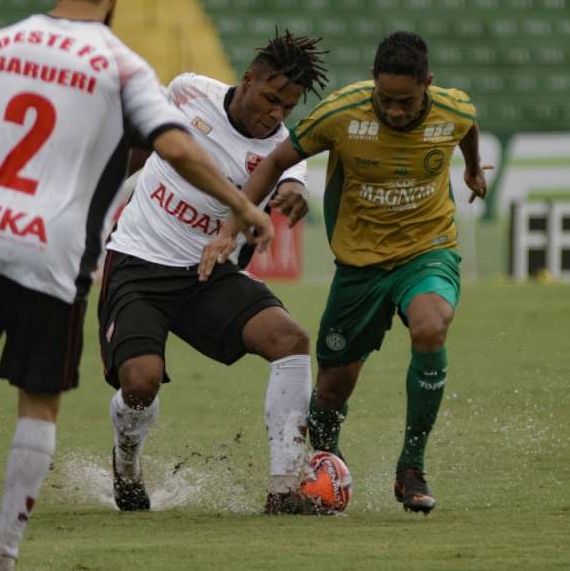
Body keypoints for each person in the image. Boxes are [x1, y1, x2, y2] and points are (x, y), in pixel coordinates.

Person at [0, 0, 273, 570]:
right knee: (38, 405)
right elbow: (176, 145)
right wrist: (245, 206)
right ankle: (1, 558)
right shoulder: (122, 67)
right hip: (50, 252)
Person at [204, 31, 490, 516]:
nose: (395, 111)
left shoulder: (453, 108)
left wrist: (473, 170)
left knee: (430, 324)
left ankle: (411, 466)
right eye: (386, 99)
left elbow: (466, 128)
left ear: (428, 85)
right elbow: (276, 161)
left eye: (407, 101)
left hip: (427, 251)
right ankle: (327, 458)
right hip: (359, 267)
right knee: (332, 388)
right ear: (373, 85)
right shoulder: (342, 113)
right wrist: (232, 226)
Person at [98, 29, 330, 515]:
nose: (274, 114)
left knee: (290, 340)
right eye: (269, 99)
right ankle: (126, 463)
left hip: (209, 275)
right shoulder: (188, 90)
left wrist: (292, 196)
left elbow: (292, 182)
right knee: (140, 383)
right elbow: (147, 141)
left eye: (285, 108)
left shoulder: (284, 149)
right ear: (248, 79)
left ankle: (284, 489)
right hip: (139, 262)